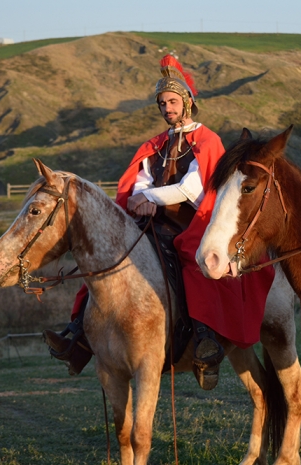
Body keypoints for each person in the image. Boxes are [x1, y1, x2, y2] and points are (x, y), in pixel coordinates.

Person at [44, 55, 275, 390]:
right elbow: (138, 178)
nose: (167, 108)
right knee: (108, 262)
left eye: (173, 101)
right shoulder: (157, 144)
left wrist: (150, 198)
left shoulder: (207, 140)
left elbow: (192, 188)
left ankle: (204, 341)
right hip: (149, 222)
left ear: (188, 103)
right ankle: (79, 336)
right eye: (163, 103)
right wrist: (140, 197)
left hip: (192, 221)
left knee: (192, 262)